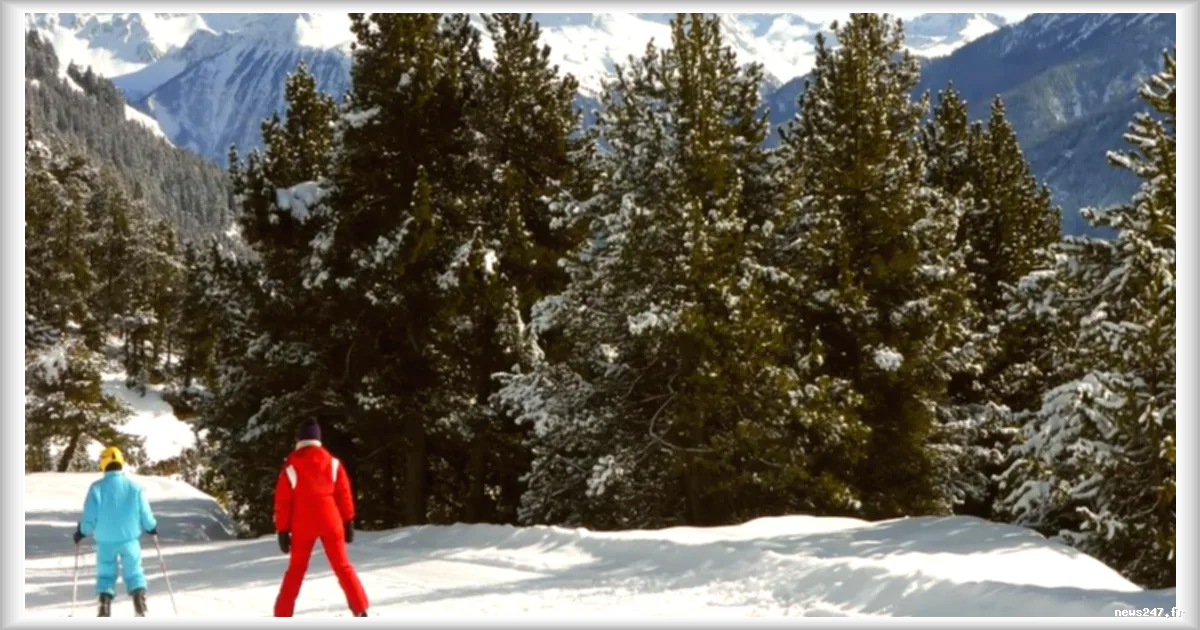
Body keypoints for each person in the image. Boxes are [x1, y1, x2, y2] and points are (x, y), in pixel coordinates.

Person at [273, 419, 369, 618]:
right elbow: (344, 493)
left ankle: (282, 613)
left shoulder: (290, 466)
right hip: (331, 519)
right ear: (318, 439)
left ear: (299, 439)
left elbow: (283, 502)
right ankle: (360, 609)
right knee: (342, 566)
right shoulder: (333, 463)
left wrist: (282, 530)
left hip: (303, 523)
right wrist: (348, 520)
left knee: (296, 570)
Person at [73, 445, 159, 617]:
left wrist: (82, 531)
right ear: (121, 462)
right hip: (130, 540)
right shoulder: (135, 488)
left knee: (106, 573)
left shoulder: (97, 488)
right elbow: (145, 513)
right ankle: (139, 602)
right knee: (134, 571)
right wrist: (151, 527)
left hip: (105, 541)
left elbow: (90, 516)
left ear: (103, 463)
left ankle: (104, 605)